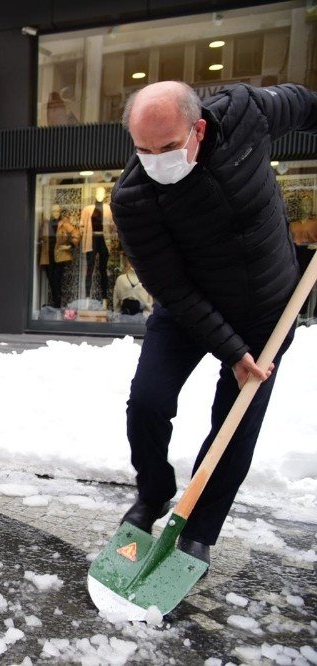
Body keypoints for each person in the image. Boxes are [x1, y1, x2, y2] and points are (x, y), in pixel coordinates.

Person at [110, 81, 316, 564]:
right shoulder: (133, 198)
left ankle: (199, 529)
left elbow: (307, 106)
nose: (155, 160)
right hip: (189, 307)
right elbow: (173, 289)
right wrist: (229, 348)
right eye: (143, 149)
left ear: (198, 128)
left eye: (167, 147)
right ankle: (155, 491)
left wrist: (247, 354)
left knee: (235, 421)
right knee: (147, 401)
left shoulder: (247, 115)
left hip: (269, 305)